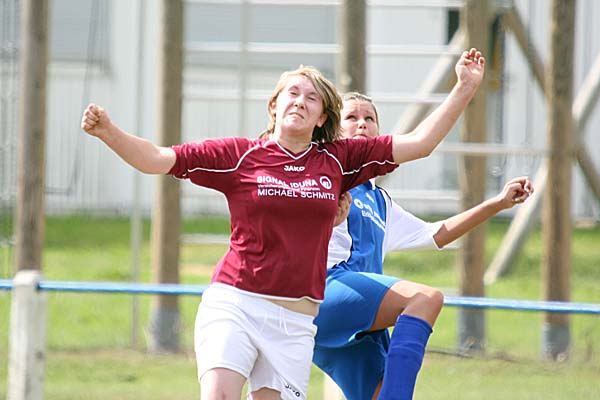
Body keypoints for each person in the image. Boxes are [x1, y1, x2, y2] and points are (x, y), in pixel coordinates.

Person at [80, 48, 484, 400]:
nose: (300, 101)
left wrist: (464, 87)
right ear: (274, 105)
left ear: (322, 116)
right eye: (292, 93)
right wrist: (109, 132)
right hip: (236, 302)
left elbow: (421, 143)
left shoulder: (338, 160)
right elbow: (156, 159)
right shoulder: (239, 156)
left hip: (294, 322)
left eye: (312, 97)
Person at [313, 92, 534, 400]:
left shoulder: (381, 201)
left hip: (360, 321)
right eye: (351, 117)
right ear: (334, 129)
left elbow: (438, 234)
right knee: (425, 299)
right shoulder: (327, 173)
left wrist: (497, 203)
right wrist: (465, 88)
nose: (362, 124)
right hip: (327, 294)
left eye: (369, 118)